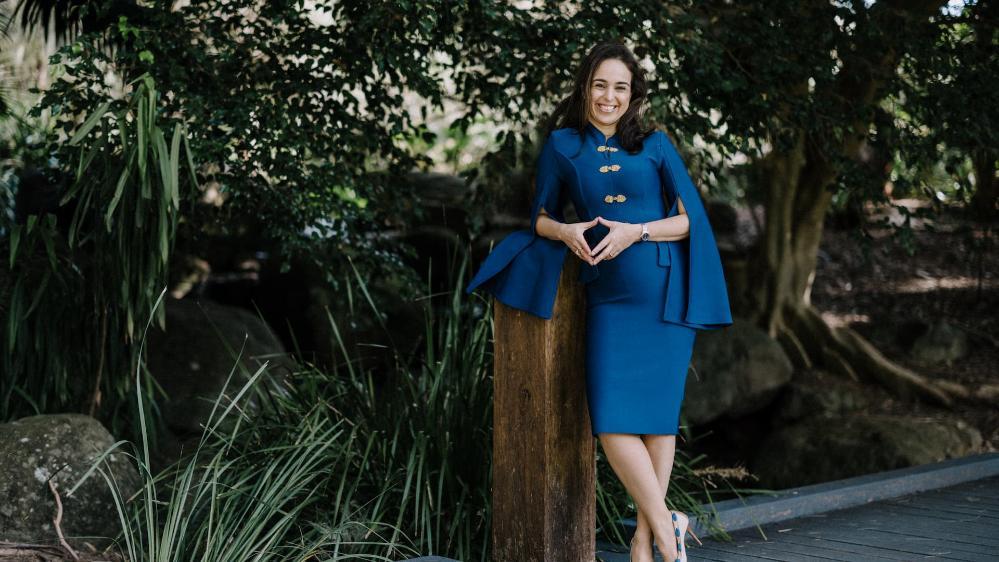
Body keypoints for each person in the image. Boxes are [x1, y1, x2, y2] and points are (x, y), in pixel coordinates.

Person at [465, 41, 732, 562]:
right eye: (601, 84)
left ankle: (644, 542)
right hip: (607, 295)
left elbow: (688, 221)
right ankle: (667, 522)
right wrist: (564, 231)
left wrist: (636, 231)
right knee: (610, 421)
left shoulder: (655, 144)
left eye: (621, 87)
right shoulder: (563, 145)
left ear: (633, 96)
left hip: (662, 292)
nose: (609, 96)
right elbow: (540, 215)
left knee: (656, 420)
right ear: (585, 86)